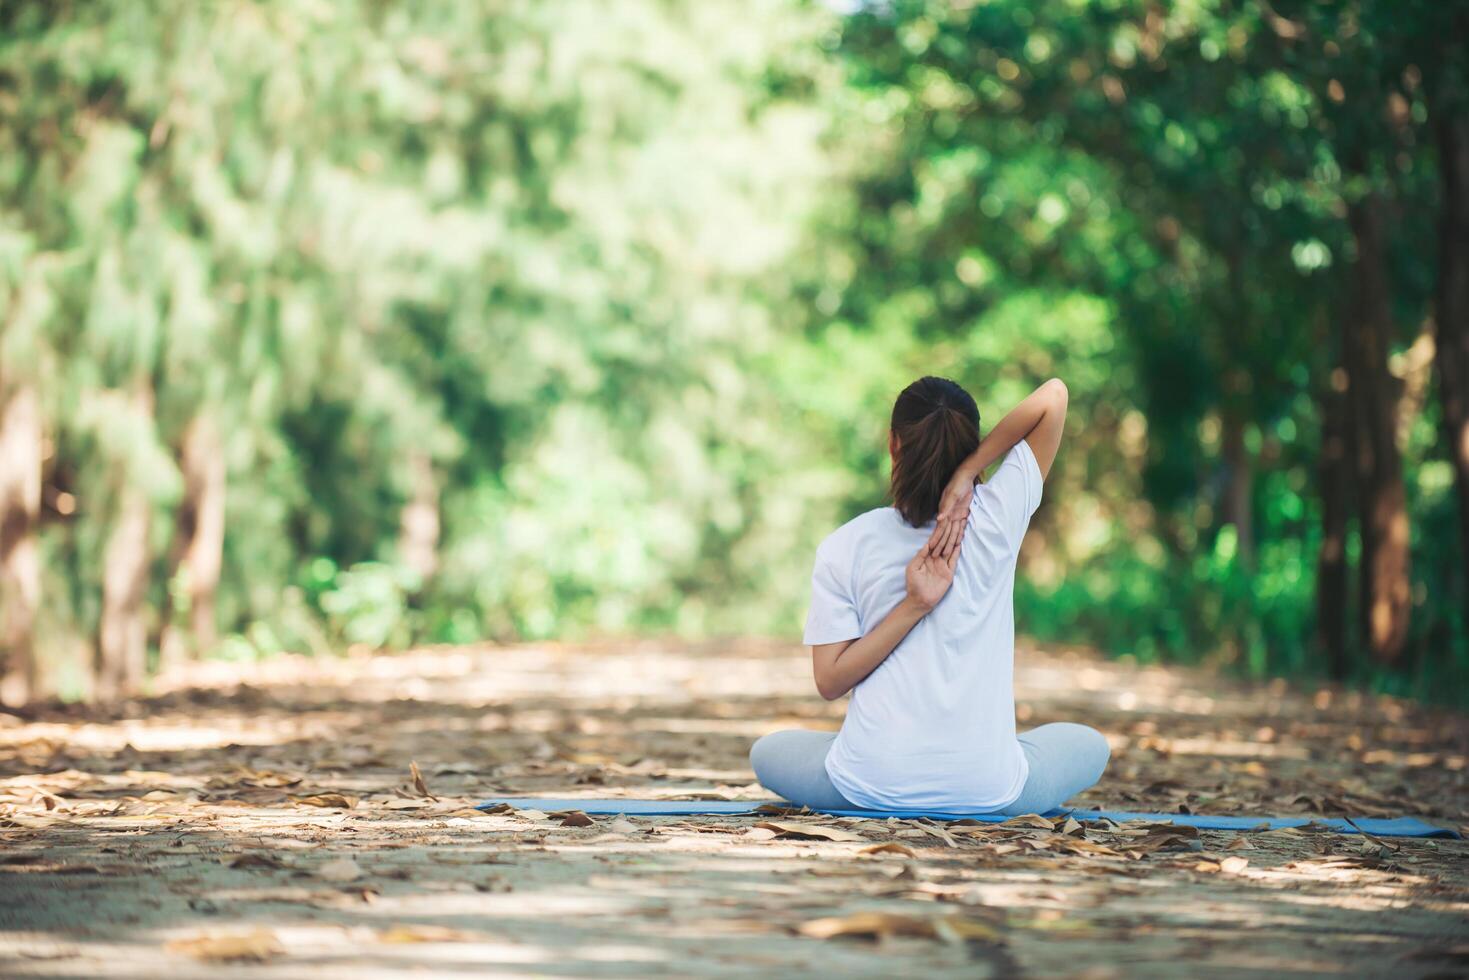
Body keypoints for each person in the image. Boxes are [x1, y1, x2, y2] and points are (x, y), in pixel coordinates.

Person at [749, 376, 1109, 815]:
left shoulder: (846, 544)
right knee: (1090, 745)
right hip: (988, 788)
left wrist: (911, 607)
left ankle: (888, 765)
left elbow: (830, 682)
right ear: (973, 444)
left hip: (869, 783)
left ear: (893, 445)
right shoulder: (998, 518)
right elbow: (1053, 396)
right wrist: (966, 473)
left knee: (767, 752)